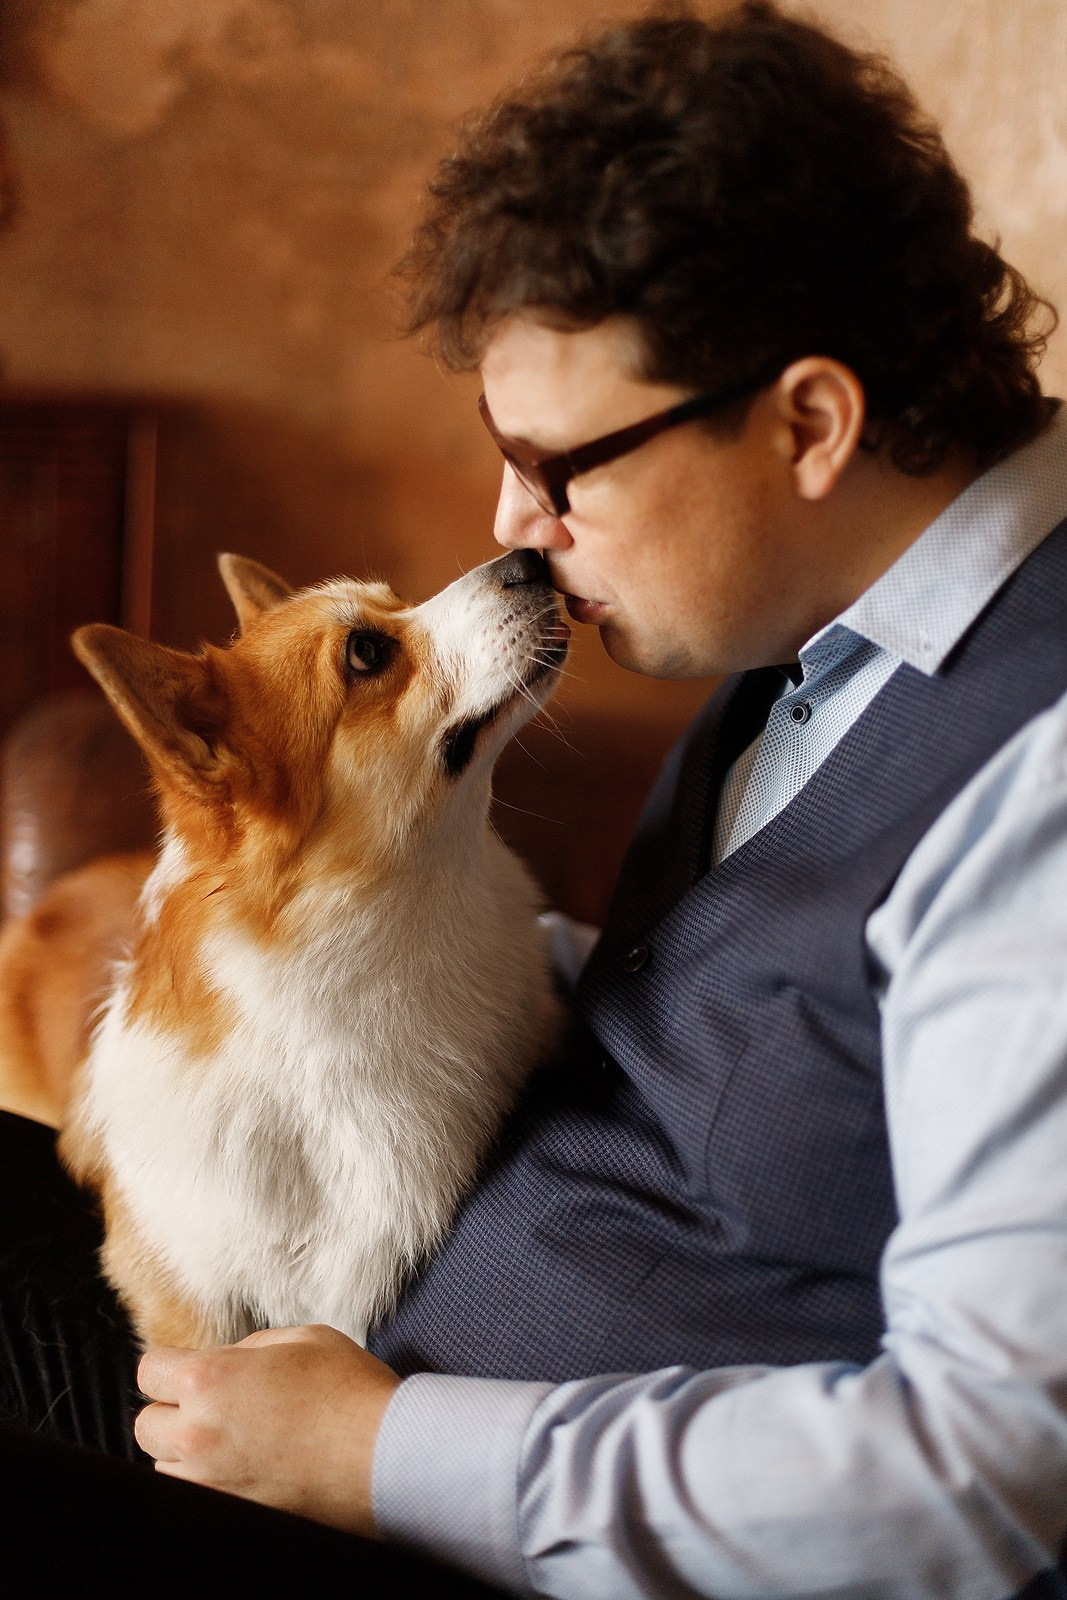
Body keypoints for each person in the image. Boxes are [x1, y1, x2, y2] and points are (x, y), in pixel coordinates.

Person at [4, 2, 1067, 1596]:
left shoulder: (1034, 769)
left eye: (562, 468)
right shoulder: (826, 639)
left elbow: (985, 1478)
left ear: (810, 424)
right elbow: (757, 1042)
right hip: (345, 1370)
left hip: (469, 1525)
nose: (513, 524)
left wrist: (381, 1457)